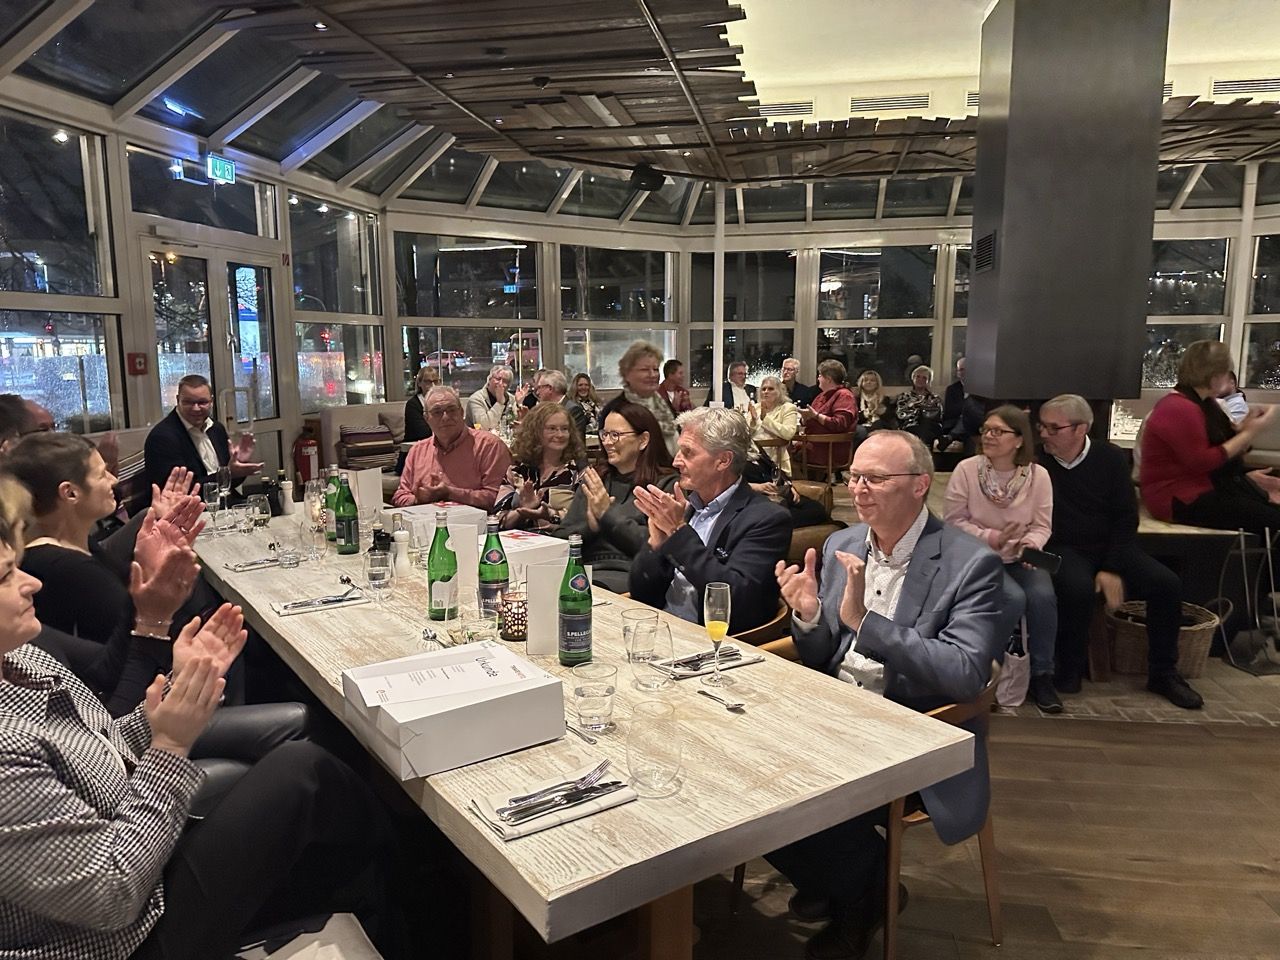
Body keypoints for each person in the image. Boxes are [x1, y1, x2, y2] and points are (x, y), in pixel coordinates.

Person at [0, 476, 411, 960]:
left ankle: (391, 878)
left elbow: (102, 742)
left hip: (139, 861)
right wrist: (170, 744)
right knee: (301, 773)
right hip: (119, 939)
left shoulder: (21, 659)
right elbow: (112, 896)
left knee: (314, 778)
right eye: (6, 576)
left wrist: (182, 688)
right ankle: (412, 865)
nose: (32, 583)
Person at [771, 430, 1014, 960]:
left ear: (920, 485)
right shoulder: (842, 544)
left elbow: (966, 672)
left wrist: (865, 623)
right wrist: (810, 616)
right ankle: (853, 882)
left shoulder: (970, 564)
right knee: (746, 765)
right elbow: (823, 655)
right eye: (856, 476)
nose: (858, 489)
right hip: (836, 713)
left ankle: (860, 898)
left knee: (797, 790)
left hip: (916, 726)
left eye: (876, 478)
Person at [1038, 394, 1203, 709]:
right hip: (1062, 546)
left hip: (1111, 546)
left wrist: (1112, 567)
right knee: (1077, 586)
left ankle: (1163, 673)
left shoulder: (1110, 458)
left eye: (1052, 428)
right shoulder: (1038, 462)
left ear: (1080, 428)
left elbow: (1127, 518)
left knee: (1166, 583)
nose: (1044, 434)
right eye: (1041, 426)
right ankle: (1069, 668)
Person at [630, 407, 791, 633]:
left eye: (688, 453)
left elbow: (734, 599)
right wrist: (655, 546)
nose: (676, 461)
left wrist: (678, 532)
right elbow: (640, 593)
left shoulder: (767, 519)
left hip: (713, 645)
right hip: (661, 629)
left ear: (723, 460)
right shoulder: (685, 508)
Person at [944, 405, 1061, 713]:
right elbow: (954, 520)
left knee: (1042, 597)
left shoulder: (1039, 476)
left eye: (998, 431)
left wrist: (1028, 544)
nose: (989, 436)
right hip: (978, 557)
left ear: (1019, 440)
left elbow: (1041, 525)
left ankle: (1042, 674)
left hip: (1020, 556)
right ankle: (985, 673)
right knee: (1011, 598)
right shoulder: (967, 470)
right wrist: (992, 538)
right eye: (986, 430)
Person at [1140, 340, 1280, 535]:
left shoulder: (1205, 403)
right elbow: (1201, 461)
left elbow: (1225, 447)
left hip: (1201, 487)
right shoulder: (1178, 408)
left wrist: (1244, 429)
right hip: (1178, 497)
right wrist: (1250, 432)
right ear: (1214, 377)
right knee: (1273, 521)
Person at [556, 403, 678, 592]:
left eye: (616, 435)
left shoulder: (664, 485)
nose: (607, 442)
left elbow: (654, 546)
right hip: (584, 572)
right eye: (604, 434)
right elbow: (560, 541)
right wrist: (591, 527)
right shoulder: (597, 480)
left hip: (632, 578)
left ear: (643, 440)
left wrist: (607, 514)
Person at [393, 385, 513, 509]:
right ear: (426, 418)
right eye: (437, 412)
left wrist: (450, 493)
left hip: (472, 524)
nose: (445, 417)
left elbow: (496, 499)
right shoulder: (417, 451)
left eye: (451, 410)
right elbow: (399, 496)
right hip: (424, 522)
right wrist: (418, 500)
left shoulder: (489, 446)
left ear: (462, 412)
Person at [144, 375, 263, 496]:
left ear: (211, 401)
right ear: (177, 400)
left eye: (202, 402)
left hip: (225, 503)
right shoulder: (162, 438)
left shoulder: (216, 429)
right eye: (188, 402)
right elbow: (178, 492)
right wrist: (227, 474)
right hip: (190, 510)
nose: (196, 408)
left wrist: (240, 465)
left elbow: (229, 484)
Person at [493, 402, 585, 531]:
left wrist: (552, 515)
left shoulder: (578, 473)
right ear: (535, 432)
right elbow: (497, 521)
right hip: (517, 544)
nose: (560, 435)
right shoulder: (517, 471)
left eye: (564, 429)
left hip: (559, 543)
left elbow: (584, 521)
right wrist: (522, 511)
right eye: (552, 429)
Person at [598, 340, 678, 457]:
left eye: (655, 369)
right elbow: (609, 452)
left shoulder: (663, 405)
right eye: (645, 370)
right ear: (626, 374)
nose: (652, 375)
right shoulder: (615, 410)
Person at [798, 359, 858, 475]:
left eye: (820, 375)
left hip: (829, 449)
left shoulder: (845, 396)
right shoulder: (821, 396)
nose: (818, 379)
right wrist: (805, 418)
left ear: (829, 379)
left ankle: (802, 489)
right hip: (815, 445)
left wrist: (816, 416)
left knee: (784, 455)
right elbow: (810, 419)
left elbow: (839, 424)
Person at [753, 374, 800, 475]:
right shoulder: (755, 408)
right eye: (763, 389)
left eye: (770, 389)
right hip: (753, 454)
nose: (766, 392)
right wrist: (752, 421)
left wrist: (765, 419)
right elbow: (747, 433)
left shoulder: (788, 408)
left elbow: (788, 433)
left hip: (774, 460)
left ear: (779, 392)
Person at [938, 356, 985, 451]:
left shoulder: (981, 388)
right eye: (961, 370)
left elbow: (981, 409)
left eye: (967, 369)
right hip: (956, 423)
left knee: (969, 417)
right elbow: (951, 411)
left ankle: (950, 437)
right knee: (968, 419)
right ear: (958, 373)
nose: (964, 372)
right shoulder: (952, 389)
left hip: (975, 424)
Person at [893, 364, 944, 449]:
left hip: (931, 427)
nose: (920, 380)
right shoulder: (904, 396)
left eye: (924, 378)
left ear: (929, 381)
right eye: (918, 377)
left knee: (927, 428)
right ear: (913, 378)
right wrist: (919, 411)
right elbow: (900, 414)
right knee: (919, 431)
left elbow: (940, 415)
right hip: (911, 426)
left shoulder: (935, 398)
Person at [534, 368, 589, 438]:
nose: (538, 392)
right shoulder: (543, 410)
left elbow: (575, 442)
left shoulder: (573, 410)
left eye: (539, 387)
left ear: (550, 388)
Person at [465, 365, 514, 430]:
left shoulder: (511, 399)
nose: (500, 383)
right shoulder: (476, 399)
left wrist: (519, 404)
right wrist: (499, 403)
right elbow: (483, 427)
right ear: (489, 379)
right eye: (498, 379)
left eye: (505, 381)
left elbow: (515, 424)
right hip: (478, 439)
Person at [404, 364, 442, 444]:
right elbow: (423, 432)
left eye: (435, 381)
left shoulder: (443, 402)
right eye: (428, 382)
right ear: (419, 383)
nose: (433, 386)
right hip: (415, 448)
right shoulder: (413, 405)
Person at [854, 369, 895, 434]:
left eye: (872, 380)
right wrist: (864, 414)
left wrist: (882, 412)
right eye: (866, 380)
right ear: (861, 383)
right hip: (861, 427)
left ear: (877, 384)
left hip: (880, 426)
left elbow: (890, 419)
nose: (869, 382)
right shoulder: (855, 399)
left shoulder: (884, 399)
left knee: (878, 425)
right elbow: (853, 418)